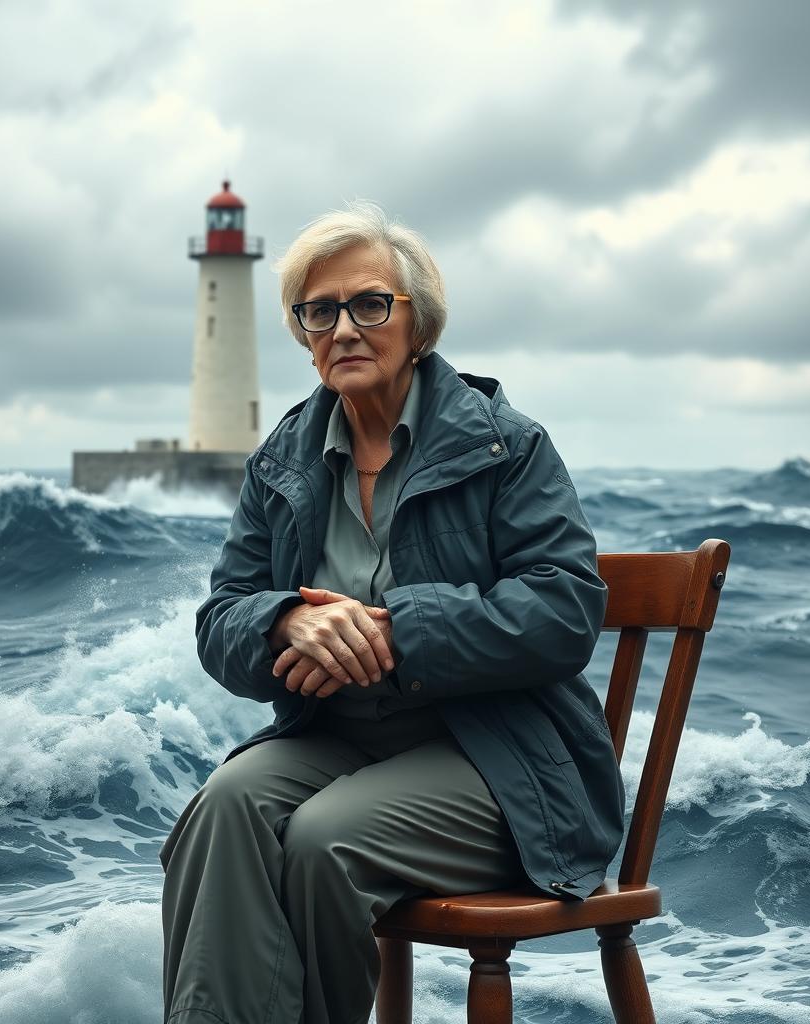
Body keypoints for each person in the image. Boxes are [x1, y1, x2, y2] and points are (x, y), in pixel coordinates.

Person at [159, 200, 625, 1024]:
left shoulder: (504, 445)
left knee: (321, 840)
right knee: (221, 810)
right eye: (318, 311)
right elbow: (219, 619)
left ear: (419, 323)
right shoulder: (281, 461)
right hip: (339, 738)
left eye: (369, 304)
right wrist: (281, 622)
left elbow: (564, 609)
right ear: (302, 334)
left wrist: (394, 630)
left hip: (502, 761)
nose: (343, 328)